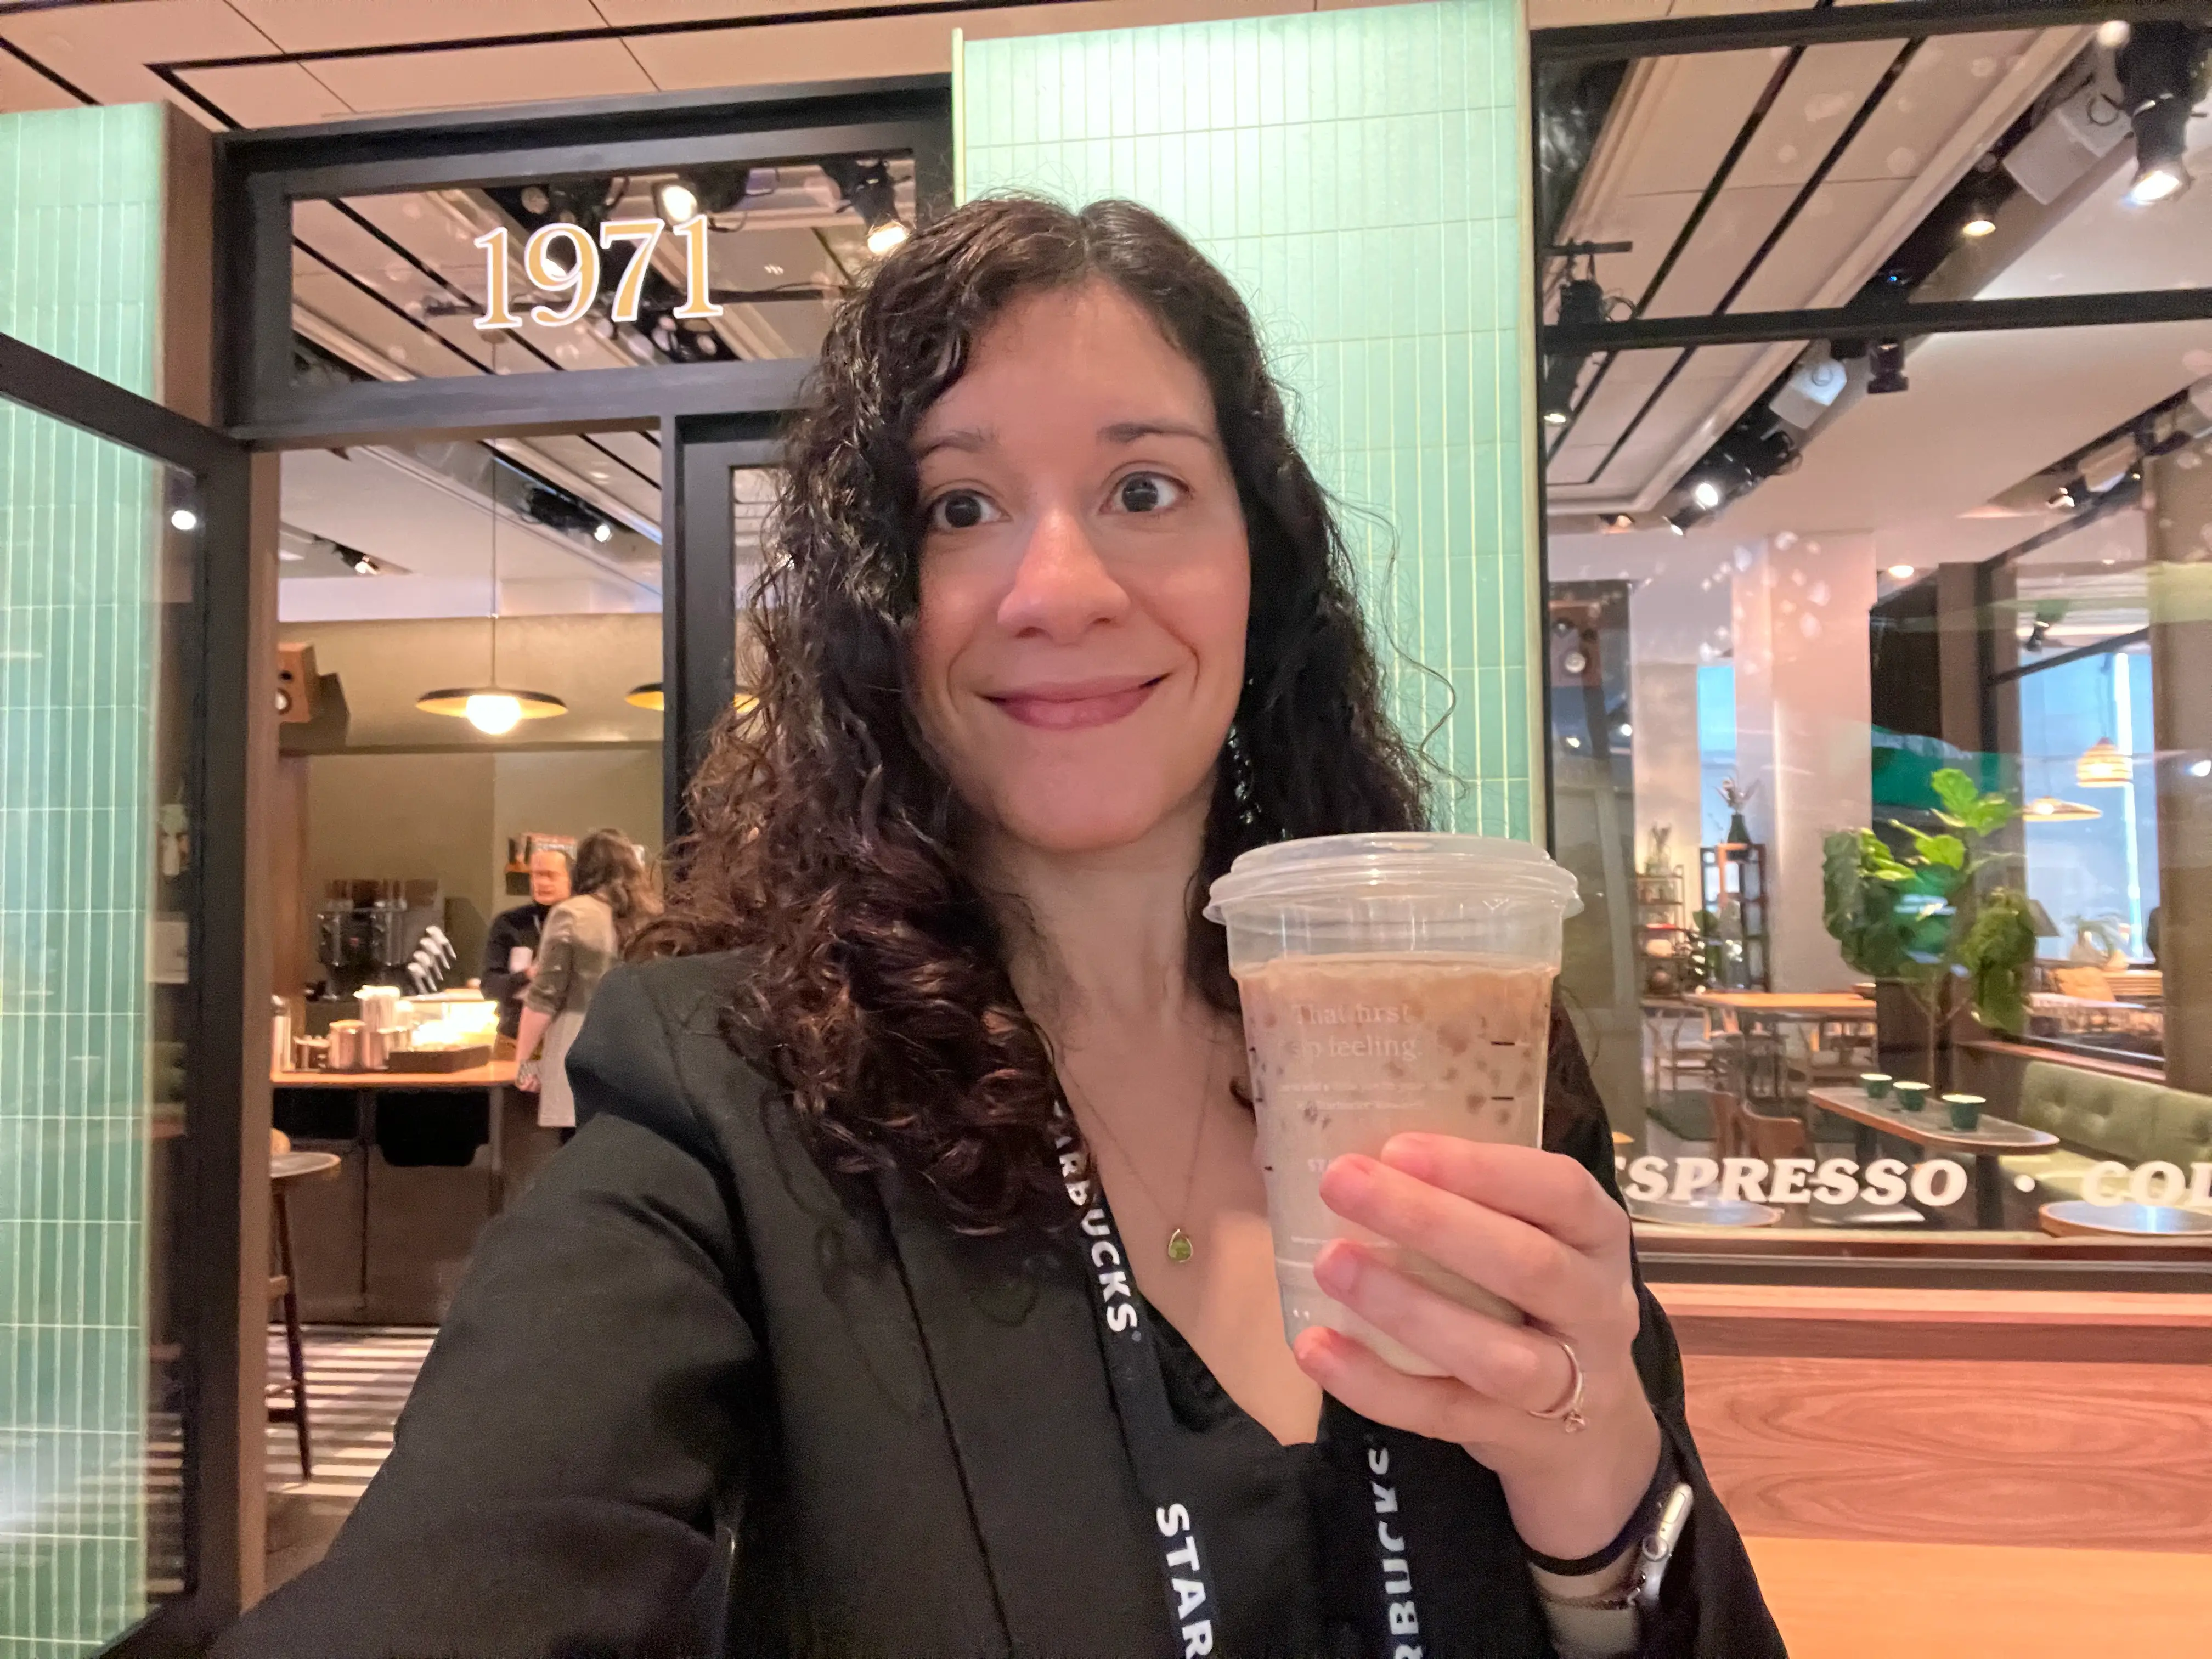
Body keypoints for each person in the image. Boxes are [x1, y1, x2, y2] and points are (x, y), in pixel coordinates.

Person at [217, 198, 1780, 1658]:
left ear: (1263, 565)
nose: (1058, 585)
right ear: (883, 607)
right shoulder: (723, 1099)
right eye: (962, 506)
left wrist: (1602, 1509)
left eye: (1145, 489)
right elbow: (485, 1558)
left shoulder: (1463, 1038)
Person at [514, 829, 656, 1138]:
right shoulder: (652, 918)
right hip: (638, 1060)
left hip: (579, 1056)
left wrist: (525, 1065)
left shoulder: (572, 914)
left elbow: (544, 997)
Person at [479, 844, 572, 1042]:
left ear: (572, 880)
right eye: (536, 875)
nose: (541, 882)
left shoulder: (584, 925)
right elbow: (490, 986)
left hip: (567, 1040)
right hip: (515, 1039)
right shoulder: (510, 923)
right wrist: (528, 975)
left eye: (550, 875)